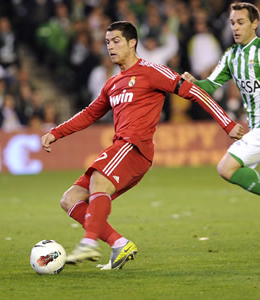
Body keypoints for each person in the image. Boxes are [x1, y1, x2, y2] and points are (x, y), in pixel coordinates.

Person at [40, 21, 244, 271]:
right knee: (69, 200)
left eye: (116, 41)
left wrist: (228, 124)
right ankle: (119, 244)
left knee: (97, 179)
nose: (111, 47)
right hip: (121, 148)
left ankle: (88, 243)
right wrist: (56, 133)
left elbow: (194, 92)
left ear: (132, 43)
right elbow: (89, 114)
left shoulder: (152, 71)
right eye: (107, 43)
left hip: (135, 148)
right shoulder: (112, 84)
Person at [182, 2, 260, 195]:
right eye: (232, 23)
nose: (235, 27)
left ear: (254, 23)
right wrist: (194, 82)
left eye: (241, 22)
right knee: (229, 170)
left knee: (226, 168)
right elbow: (210, 86)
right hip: (254, 127)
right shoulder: (231, 55)